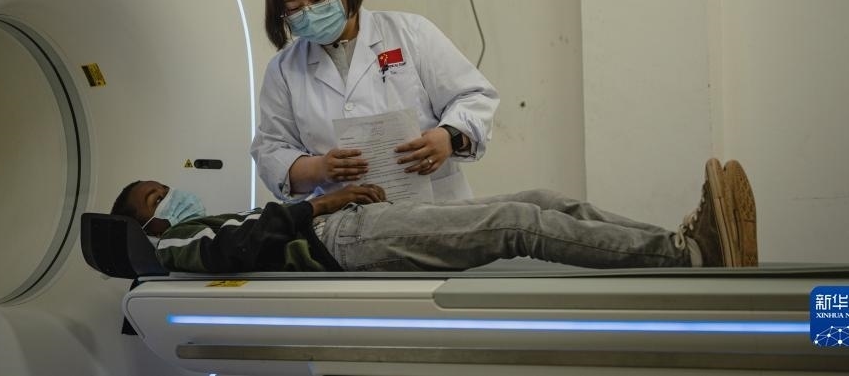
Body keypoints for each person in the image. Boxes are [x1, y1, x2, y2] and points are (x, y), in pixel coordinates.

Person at [110, 158, 758, 274]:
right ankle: (690, 258)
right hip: (338, 241)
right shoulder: (166, 247)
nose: (172, 192)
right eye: (155, 196)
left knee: (537, 198)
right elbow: (238, 244)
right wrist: (318, 203)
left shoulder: (191, 228)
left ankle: (678, 242)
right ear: (146, 227)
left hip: (341, 227)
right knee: (516, 224)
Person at [250, 0, 499, 202]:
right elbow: (271, 151)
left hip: (435, 206)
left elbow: (475, 97)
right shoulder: (284, 70)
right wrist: (319, 169)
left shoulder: (410, 33)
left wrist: (448, 137)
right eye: (294, 8)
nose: (309, 14)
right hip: (345, 219)